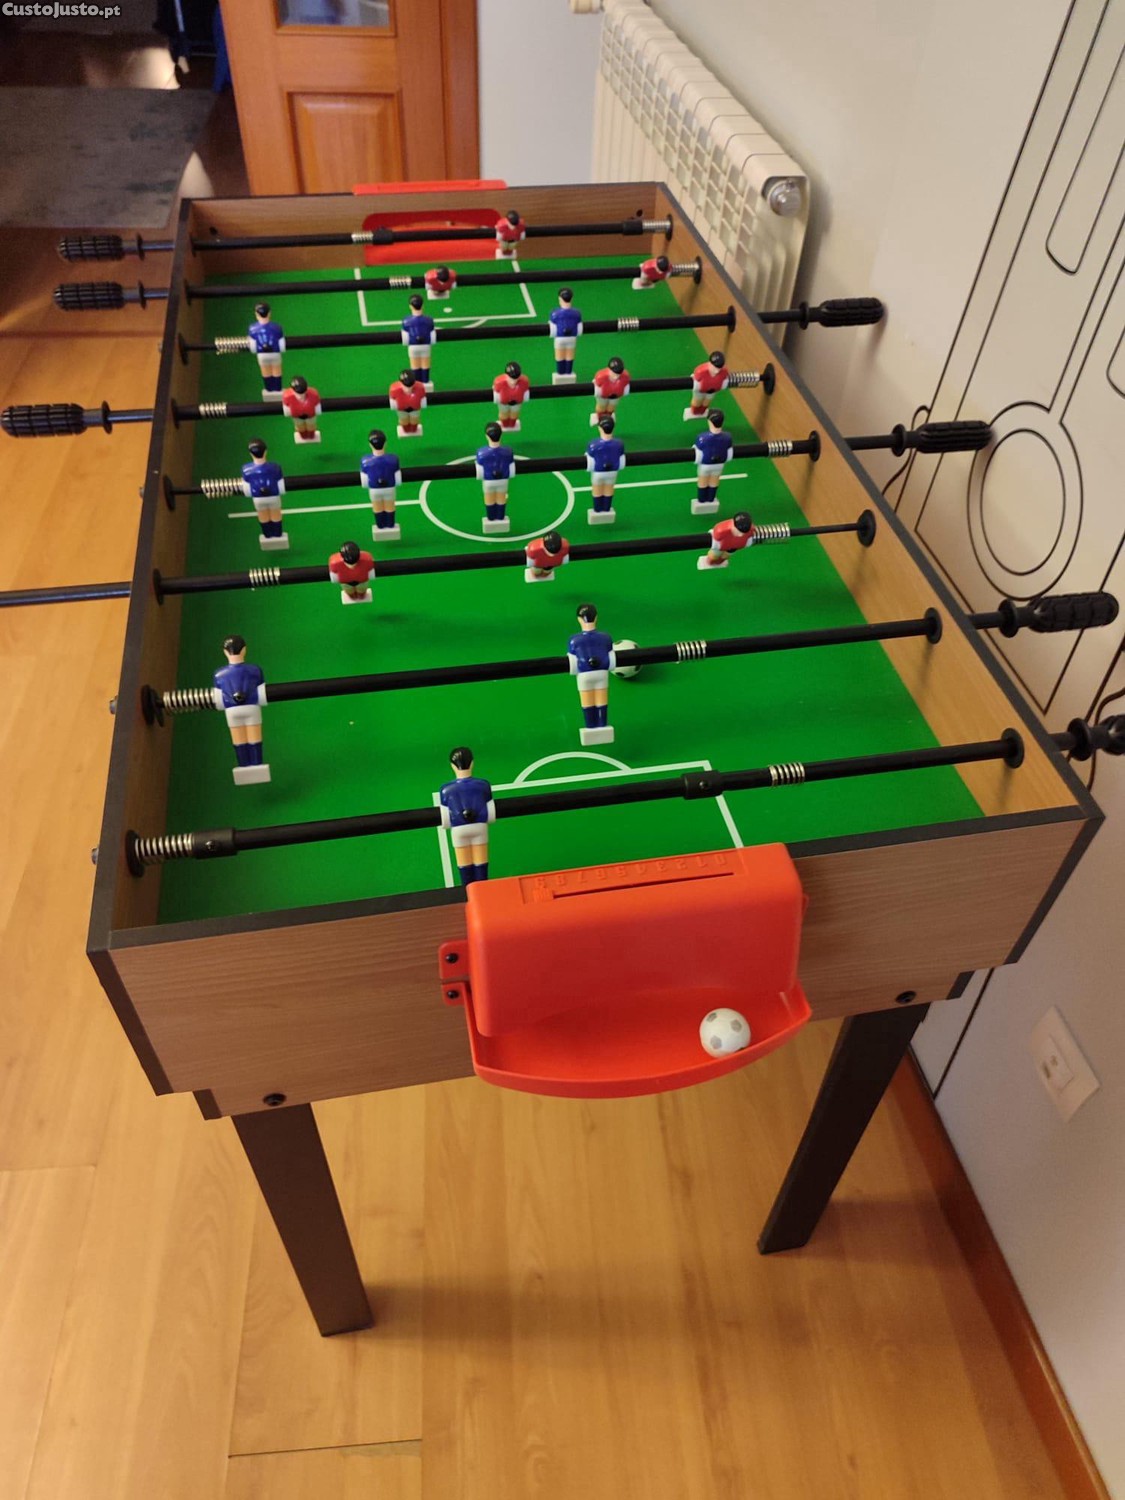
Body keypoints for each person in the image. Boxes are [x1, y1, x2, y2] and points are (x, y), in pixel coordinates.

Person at [212, 634, 269, 784]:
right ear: (244, 650)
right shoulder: (255, 670)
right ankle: (257, 764)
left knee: (239, 740)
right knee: (255, 738)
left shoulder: (218, 675)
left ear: (225, 652)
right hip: (252, 708)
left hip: (232, 711)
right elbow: (262, 691)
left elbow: (218, 697)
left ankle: (243, 766)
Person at [439, 747, 495, 885]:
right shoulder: (483, 785)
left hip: (459, 830)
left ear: (452, 766)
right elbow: (490, 811)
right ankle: (482, 889)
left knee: (464, 863)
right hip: (480, 827)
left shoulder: (446, 790)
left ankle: (467, 889)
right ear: (472, 763)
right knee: (481, 862)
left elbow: (445, 817)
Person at [567, 603, 616, 745]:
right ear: (596, 618)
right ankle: (602, 725)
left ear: (579, 619)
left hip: (584, 674)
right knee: (602, 701)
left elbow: (572, 661)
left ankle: (591, 727)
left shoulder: (574, 640)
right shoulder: (606, 638)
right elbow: (611, 656)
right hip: (601, 673)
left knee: (587, 702)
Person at [240, 437, 287, 551]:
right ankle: (277, 534)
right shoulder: (275, 467)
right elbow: (281, 485)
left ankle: (267, 535)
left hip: (258, 498)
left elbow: (246, 488)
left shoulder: (246, 469)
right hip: (273, 496)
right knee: (275, 514)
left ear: (251, 454)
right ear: (265, 452)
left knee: (262, 515)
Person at [359, 428, 402, 539]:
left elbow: (364, 482)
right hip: (390, 489)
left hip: (374, 490)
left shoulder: (365, 461)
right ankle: (390, 524)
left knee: (377, 507)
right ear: (385, 443)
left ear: (370, 445)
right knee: (390, 506)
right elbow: (398, 479)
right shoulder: (393, 459)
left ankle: (380, 525)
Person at [475, 421, 515, 533]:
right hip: (503, 481)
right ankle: (500, 517)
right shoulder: (508, 452)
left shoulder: (481, 453)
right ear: (501, 435)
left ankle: (491, 518)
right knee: (501, 498)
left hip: (488, 481)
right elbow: (511, 467)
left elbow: (479, 470)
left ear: (487, 436)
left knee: (489, 499)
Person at [692, 408, 734, 514]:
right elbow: (729, 452)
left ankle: (702, 500)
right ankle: (710, 499)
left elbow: (697, 452)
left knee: (703, 481)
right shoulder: (727, 437)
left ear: (709, 421)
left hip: (705, 465)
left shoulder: (702, 438)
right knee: (714, 481)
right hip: (719, 465)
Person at [586, 415, 625, 524]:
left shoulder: (593, 444)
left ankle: (598, 509)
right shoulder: (619, 444)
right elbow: (621, 457)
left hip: (598, 472)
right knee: (609, 488)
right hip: (612, 472)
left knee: (597, 489)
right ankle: (607, 508)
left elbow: (588, 458)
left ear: (600, 428)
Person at [246, 302, 285, 399]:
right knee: (276, 370)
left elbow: (252, 346)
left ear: (256, 314)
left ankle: (269, 390)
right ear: (269, 313)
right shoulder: (277, 327)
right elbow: (282, 344)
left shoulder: (252, 329)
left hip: (262, 355)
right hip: (275, 353)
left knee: (265, 371)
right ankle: (277, 389)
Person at [401, 293, 436, 388]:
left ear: (410, 306)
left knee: (415, 365)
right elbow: (432, 334)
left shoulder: (406, 321)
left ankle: (417, 384)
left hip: (413, 346)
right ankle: (425, 382)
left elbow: (405, 337)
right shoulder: (429, 320)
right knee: (425, 364)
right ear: (422, 305)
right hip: (426, 346)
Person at [548, 287, 583, 383]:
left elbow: (551, 327)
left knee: (559, 356)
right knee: (569, 356)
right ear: (572, 298)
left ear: (560, 299)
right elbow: (579, 327)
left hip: (560, 338)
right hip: (572, 338)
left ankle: (561, 373)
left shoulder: (554, 313)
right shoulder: (577, 313)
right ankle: (568, 372)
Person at [685, 349, 730, 419]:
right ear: (709, 364)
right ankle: (694, 412)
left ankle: (702, 412)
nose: (717, 371)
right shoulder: (700, 372)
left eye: (719, 369)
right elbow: (695, 379)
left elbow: (725, 379)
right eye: (714, 368)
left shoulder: (724, 372)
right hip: (700, 391)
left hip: (712, 390)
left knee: (706, 402)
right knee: (697, 402)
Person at [281, 375, 321, 444]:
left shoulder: (313, 394)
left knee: (311, 427)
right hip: (297, 417)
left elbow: (317, 407)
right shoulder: (287, 396)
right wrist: (288, 412)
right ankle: (303, 436)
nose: (301, 396)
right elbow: (286, 411)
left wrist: (317, 411)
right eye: (298, 394)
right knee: (300, 429)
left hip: (310, 416)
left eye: (303, 393)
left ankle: (311, 436)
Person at [591, 356, 630, 426]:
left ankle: (608, 417)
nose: (616, 376)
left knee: (611, 408)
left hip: (615, 396)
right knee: (601, 407)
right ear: (609, 370)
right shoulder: (601, 377)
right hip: (603, 396)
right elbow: (596, 384)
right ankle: (600, 418)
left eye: (618, 375)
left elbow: (626, 386)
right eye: (613, 373)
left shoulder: (625, 378)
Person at [493, 360, 530, 432]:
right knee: (504, 415)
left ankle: (512, 424)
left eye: (516, 378)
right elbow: (496, 393)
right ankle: (505, 424)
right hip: (503, 403)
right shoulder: (499, 383)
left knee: (514, 415)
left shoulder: (524, 382)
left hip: (517, 403)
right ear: (506, 375)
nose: (513, 381)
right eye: (511, 378)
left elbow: (526, 392)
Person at [388, 368, 425, 437]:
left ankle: (413, 429)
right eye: (405, 386)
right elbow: (392, 402)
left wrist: (422, 404)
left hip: (415, 409)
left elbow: (423, 401)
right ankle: (406, 430)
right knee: (404, 422)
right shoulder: (394, 390)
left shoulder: (420, 388)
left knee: (414, 421)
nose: (408, 389)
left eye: (410, 387)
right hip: (402, 410)